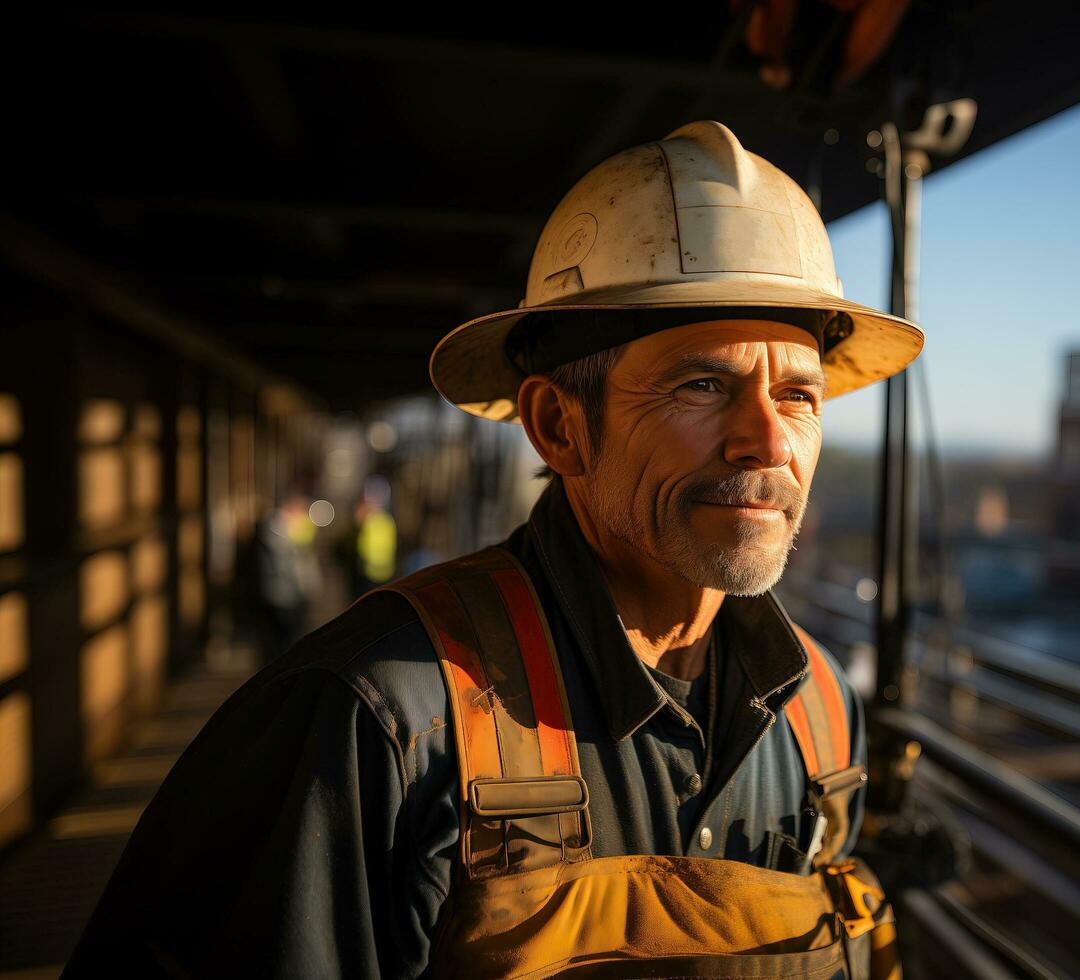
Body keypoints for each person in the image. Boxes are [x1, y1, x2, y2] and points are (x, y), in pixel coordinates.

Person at [64, 120, 923, 979]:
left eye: (799, 395)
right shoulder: (377, 720)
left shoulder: (821, 713)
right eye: (702, 384)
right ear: (559, 427)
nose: (767, 441)